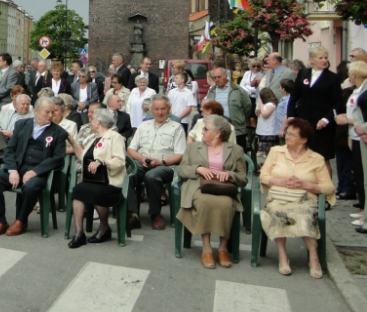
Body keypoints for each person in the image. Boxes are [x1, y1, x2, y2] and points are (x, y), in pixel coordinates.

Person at [259, 118, 335, 278]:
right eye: (287, 133)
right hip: (279, 196)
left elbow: (328, 187)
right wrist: (279, 181)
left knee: (305, 215)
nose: (287, 137)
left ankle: (313, 256)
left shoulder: (316, 159)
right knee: (278, 212)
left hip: (305, 198)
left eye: (292, 135)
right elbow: (264, 176)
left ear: (304, 139)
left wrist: (305, 185)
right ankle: (282, 256)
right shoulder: (276, 152)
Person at [0, 97, 67, 237]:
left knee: (30, 187)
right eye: (46, 112)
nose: (50, 115)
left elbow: (58, 159)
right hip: (19, 167)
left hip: (40, 173)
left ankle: (21, 220)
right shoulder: (21, 125)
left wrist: (35, 171)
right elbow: (10, 150)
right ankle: (1, 220)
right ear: (35, 111)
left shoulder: (58, 132)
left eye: (52, 112)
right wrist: (12, 170)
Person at [176, 115, 248, 269]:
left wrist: (230, 174)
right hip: (199, 186)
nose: (201, 132)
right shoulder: (193, 147)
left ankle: (222, 247)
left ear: (217, 133)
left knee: (226, 204)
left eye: (205, 129)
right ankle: (207, 247)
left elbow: (243, 177)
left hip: (224, 188)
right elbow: (181, 169)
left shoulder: (236, 150)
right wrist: (197, 169)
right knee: (204, 201)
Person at [66, 108, 126, 248]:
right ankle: (79, 233)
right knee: (78, 190)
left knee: (95, 191)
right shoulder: (94, 139)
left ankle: (104, 228)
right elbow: (83, 158)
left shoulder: (114, 137)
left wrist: (102, 163)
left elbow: (120, 161)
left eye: (92, 119)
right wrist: (73, 142)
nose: (90, 121)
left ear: (98, 122)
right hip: (94, 180)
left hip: (110, 182)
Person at [126, 95, 186, 230]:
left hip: (166, 165)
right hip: (143, 162)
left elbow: (180, 155)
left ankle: (155, 214)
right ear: (151, 110)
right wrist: (141, 159)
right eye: (156, 109)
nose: (160, 112)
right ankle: (133, 214)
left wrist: (160, 162)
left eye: (163, 109)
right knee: (129, 174)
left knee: (152, 176)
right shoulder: (143, 125)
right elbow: (131, 149)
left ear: (169, 109)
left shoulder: (177, 128)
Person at [287, 47, 342, 178]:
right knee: (303, 156)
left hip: (322, 124)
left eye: (325, 57)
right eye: (320, 58)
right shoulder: (303, 74)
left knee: (322, 158)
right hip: (304, 121)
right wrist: (290, 116)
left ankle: (326, 191)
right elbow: (294, 97)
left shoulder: (332, 78)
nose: (324, 60)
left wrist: (326, 119)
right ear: (312, 60)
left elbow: (338, 103)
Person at [335, 60, 367, 229]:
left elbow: (361, 117)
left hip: (360, 133)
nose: (349, 76)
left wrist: (347, 120)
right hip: (353, 134)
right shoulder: (355, 91)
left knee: (363, 174)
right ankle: (363, 208)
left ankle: (364, 212)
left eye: (351, 73)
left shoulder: (364, 92)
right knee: (359, 174)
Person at [205, 66, 253, 151]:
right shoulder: (212, 92)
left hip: (236, 129)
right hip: (217, 130)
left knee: (238, 156)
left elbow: (247, 107)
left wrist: (240, 118)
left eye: (219, 77)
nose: (216, 79)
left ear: (225, 76)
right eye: (214, 77)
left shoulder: (238, 90)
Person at [255, 87, 279, 158]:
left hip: (269, 132)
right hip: (263, 131)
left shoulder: (271, 104)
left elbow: (265, 114)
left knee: (269, 152)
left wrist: (261, 106)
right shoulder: (265, 104)